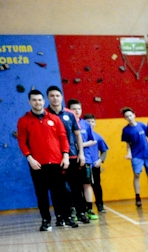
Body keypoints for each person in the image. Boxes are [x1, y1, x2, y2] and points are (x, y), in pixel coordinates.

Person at [17, 89, 72, 231]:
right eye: (34, 100)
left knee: (59, 193)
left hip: (56, 162)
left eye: (39, 100)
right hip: (37, 164)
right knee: (41, 194)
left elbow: (63, 138)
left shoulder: (54, 119)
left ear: (43, 101)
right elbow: (22, 142)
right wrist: (30, 158)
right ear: (29, 102)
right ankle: (46, 220)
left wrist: (65, 156)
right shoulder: (24, 121)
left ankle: (61, 218)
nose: (37, 102)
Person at [46, 87, 86, 224]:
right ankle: (61, 216)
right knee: (57, 189)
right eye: (52, 96)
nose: (55, 98)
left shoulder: (70, 114)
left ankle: (81, 212)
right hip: (54, 158)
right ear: (48, 98)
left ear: (62, 97)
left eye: (57, 95)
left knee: (76, 186)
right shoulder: (45, 115)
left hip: (72, 156)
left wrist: (81, 153)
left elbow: (77, 135)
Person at [121, 107, 148, 207]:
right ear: (125, 118)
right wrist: (129, 153)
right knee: (137, 175)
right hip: (136, 155)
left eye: (130, 115)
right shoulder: (126, 130)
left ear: (134, 115)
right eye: (127, 117)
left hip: (147, 154)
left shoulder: (142, 125)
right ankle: (137, 197)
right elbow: (128, 144)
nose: (129, 118)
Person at [71, 101, 98, 220]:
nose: (77, 111)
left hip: (86, 159)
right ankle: (77, 210)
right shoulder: (67, 122)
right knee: (74, 185)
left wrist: (80, 145)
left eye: (79, 108)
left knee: (87, 184)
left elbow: (93, 140)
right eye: (74, 109)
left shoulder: (85, 124)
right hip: (71, 159)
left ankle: (89, 209)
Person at [83, 114, 108, 213]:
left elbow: (104, 150)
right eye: (88, 121)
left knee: (97, 185)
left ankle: (100, 205)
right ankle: (86, 206)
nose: (90, 123)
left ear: (95, 123)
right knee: (84, 186)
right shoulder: (81, 136)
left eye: (92, 121)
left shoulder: (98, 137)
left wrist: (100, 160)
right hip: (84, 165)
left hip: (95, 165)